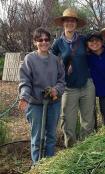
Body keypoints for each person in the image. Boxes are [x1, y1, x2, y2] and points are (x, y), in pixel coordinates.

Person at [18, 27, 65, 165]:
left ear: (49, 42)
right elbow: (25, 81)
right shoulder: (30, 59)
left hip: (53, 103)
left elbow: (62, 80)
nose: (44, 42)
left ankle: (49, 165)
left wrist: (56, 90)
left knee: (51, 136)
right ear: (35, 42)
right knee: (37, 137)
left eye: (46, 39)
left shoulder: (56, 60)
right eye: (40, 40)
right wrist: (24, 97)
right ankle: (37, 166)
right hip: (36, 104)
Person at [52, 8, 95, 147]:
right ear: (63, 23)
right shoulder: (58, 43)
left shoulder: (83, 40)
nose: (70, 23)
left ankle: (86, 149)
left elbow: (97, 48)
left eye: (73, 20)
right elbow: (49, 59)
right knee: (68, 122)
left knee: (88, 122)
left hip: (86, 85)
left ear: (76, 23)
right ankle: (71, 151)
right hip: (68, 87)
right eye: (67, 20)